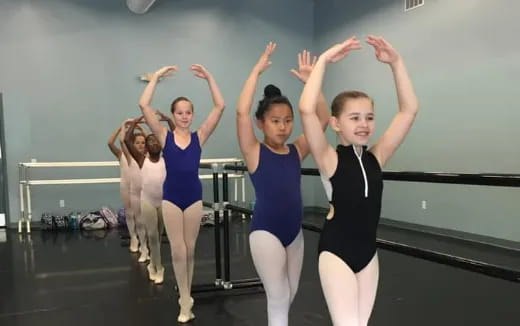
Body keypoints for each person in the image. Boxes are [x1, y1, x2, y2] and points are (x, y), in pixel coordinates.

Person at [298, 35, 418, 325]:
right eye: (354, 118)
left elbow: (408, 111)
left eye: (369, 117)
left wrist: (397, 63)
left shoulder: (376, 156)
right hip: (336, 252)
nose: (364, 124)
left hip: (368, 254)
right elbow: (306, 110)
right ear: (336, 123)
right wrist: (323, 61)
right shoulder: (329, 157)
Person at [236, 42, 329, 326]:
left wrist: (313, 82)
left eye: (288, 121)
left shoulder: (296, 150)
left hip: (294, 234)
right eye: (275, 121)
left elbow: (323, 118)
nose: (283, 126)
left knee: (290, 294)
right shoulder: (254, 151)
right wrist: (255, 71)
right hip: (265, 233)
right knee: (277, 297)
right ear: (261, 123)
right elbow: (241, 113)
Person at [138, 63, 225, 322]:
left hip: (194, 198)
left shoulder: (199, 137)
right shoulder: (164, 137)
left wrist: (209, 77)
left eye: (188, 112)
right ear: (173, 115)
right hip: (172, 199)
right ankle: (185, 300)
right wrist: (155, 77)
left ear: (191, 115)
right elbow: (143, 105)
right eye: (180, 112)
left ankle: (187, 293)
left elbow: (220, 106)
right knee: (177, 250)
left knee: (190, 249)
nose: (185, 116)